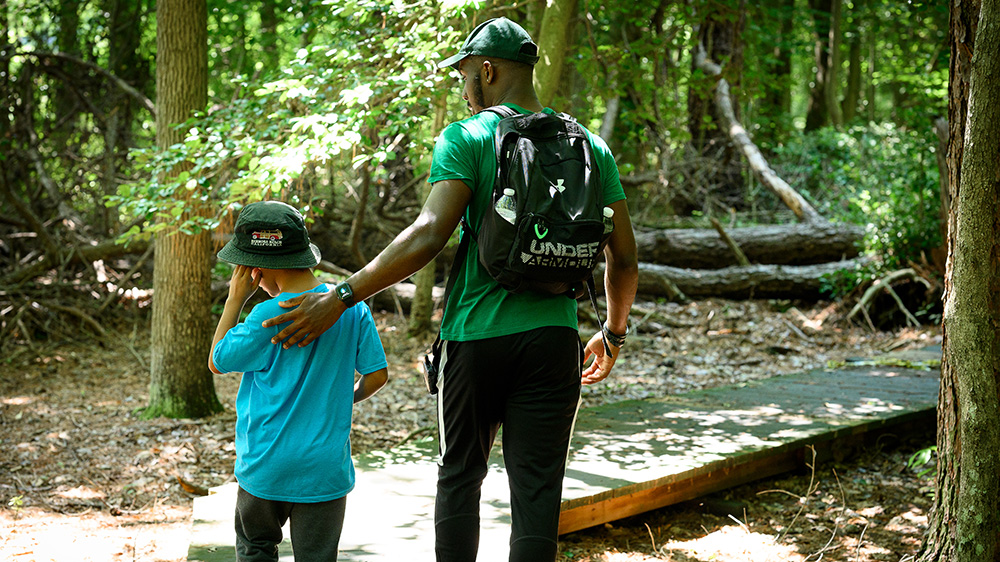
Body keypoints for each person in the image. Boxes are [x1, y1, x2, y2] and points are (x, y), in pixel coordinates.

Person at [262, 17, 638, 562]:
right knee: (537, 491)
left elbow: (429, 234)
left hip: (474, 340)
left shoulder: (469, 137)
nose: (464, 88)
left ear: (487, 70)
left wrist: (342, 296)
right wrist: (614, 333)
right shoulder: (591, 148)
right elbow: (623, 257)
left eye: (465, 74)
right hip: (555, 340)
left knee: (460, 477)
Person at [208, 200, 389, 562]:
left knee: (256, 548)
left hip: (264, 465)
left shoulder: (266, 314)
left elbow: (217, 361)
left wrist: (234, 299)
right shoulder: (350, 306)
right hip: (323, 469)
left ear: (254, 268)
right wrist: (341, 397)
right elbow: (377, 376)